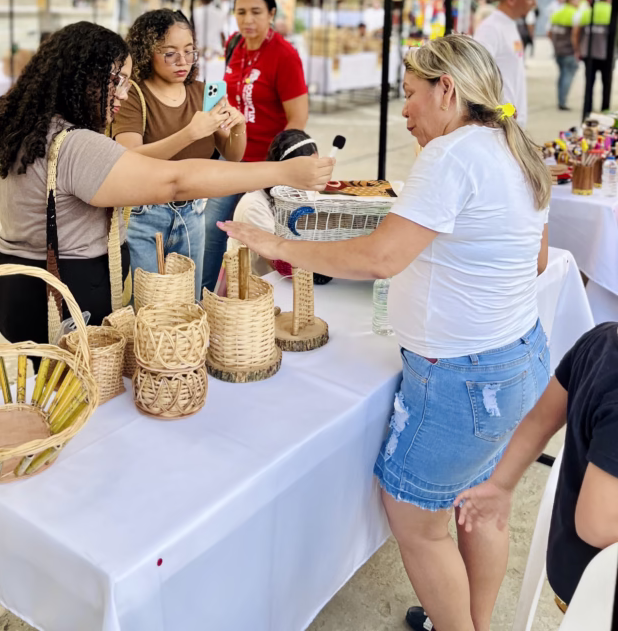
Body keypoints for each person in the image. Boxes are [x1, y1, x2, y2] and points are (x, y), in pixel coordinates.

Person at [221, 34, 551, 631]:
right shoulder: (513, 146)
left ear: (446, 90)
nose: (404, 112)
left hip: (463, 377)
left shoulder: (451, 156)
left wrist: (276, 244)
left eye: (410, 95)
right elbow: (537, 263)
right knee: (481, 503)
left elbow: (380, 258)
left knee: (416, 520)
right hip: (519, 360)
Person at [0, 21, 333, 346]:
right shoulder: (74, 144)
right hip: (61, 294)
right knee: (82, 396)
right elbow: (177, 181)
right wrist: (281, 172)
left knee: (49, 389)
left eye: (126, 80)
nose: (121, 93)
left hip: (13, 280)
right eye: (115, 80)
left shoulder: (20, 130)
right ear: (80, 77)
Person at [455, 322, 618, 614]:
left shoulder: (602, 339)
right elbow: (596, 524)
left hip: (569, 566)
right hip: (599, 590)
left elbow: (540, 420)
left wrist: (501, 484)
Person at [113, 9, 246, 299]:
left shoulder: (201, 93)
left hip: (193, 212)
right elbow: (128, 158)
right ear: (146, 52)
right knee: (148, 308)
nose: (182, 61)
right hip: (144, 215)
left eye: (189, 51)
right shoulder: (132, 94)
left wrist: (239, 126)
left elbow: (232, 155)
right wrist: (190, 132)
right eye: (170, 53)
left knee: (188, 305)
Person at [202, 0, 309, 293]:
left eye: (256, 12)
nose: (248, 19)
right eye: (241, 12)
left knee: (256, 242)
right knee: (212, 229)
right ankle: (204, 301)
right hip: (233, 159)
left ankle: (259, 308)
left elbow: (297, 120)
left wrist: (278, 171)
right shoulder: (233, 45)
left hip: (266, 166)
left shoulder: (285, 55)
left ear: (272, 13)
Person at [226, 129, 318, 276]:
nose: (316, 178)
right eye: (310, 172)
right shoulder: (254, 206)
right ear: (289, 170)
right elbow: (280, 264)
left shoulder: (302, 194)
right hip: (261, 288)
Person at [474, 0, 538, 128]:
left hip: (512, 124)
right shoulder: (490, 29)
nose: (534, 4)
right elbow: (475, 75)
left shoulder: (510, 24)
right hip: (499, 125)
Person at [573, 0, 613, 115]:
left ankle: (587, 110)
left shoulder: (587, 12)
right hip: (606, 55)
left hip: (588, 54)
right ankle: (605, 110)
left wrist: (577, 49)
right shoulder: (612, 12)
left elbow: (576, 33)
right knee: (606, 84)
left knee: (589, 84)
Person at [548, 0, 580, 111]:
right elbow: (574, 35)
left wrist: (555, 45)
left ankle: (560, 99)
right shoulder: (574, 14)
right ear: (571, 1)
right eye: (577, 0)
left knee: (562, 75)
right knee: (568, 75)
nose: (578, 3)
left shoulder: (557, 12)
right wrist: (577, 50)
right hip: (568, 51)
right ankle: (563, 102)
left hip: (558, 50)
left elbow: (549, 32)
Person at [192, 0, 226, 81]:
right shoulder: (220, 13)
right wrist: (225, 47)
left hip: (199, 48)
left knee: (199, 78)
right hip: (215, 50)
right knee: (214, 79)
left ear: (201, 0)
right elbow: (222, 33)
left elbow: (192, 31)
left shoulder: (196, 12)